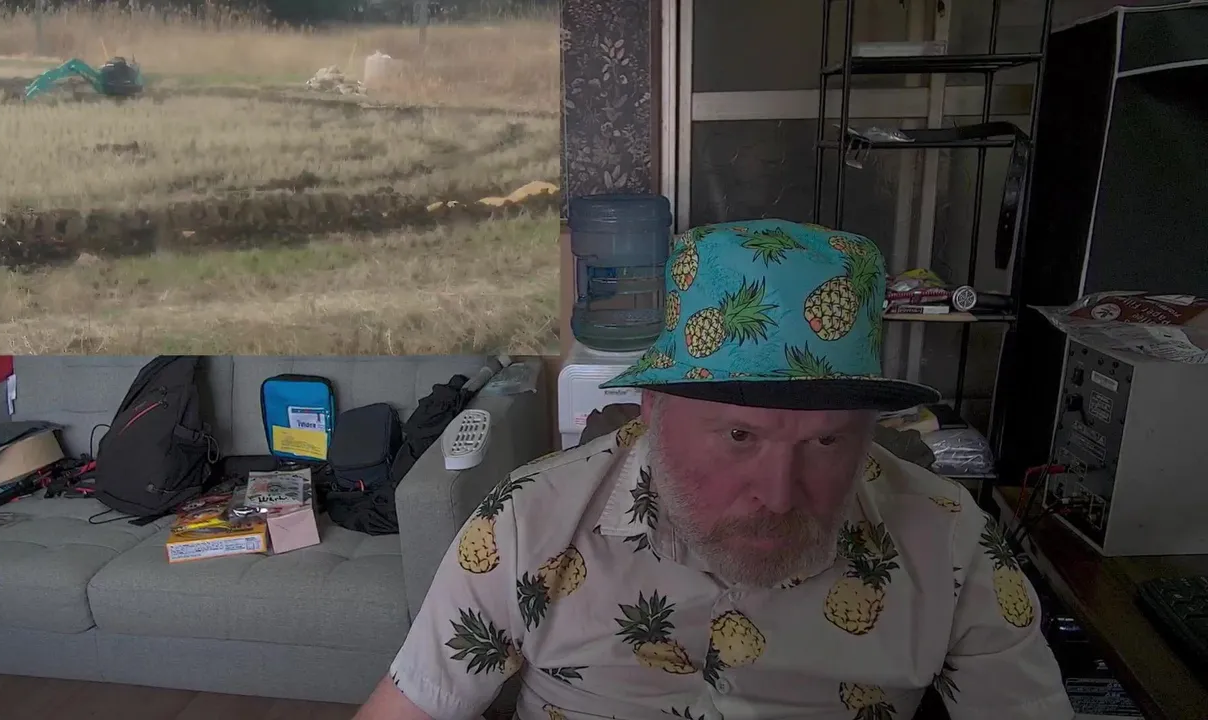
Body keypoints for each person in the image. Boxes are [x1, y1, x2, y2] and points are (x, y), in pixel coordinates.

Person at [355, 220, 1073, 720]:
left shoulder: (951, 543)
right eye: (738, 436)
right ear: (653, 408)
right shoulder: (526, 521)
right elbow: (413, 704)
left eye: (826, 442)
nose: (779, 495)